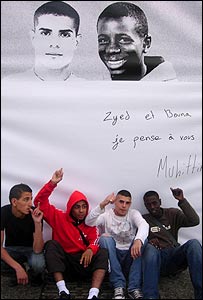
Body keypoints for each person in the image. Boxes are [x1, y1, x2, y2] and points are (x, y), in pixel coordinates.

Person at [33, 168, 108, 300]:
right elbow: (39, 202)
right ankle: (63, 290)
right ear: (70, 207)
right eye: (77, 207)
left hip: (84, 264)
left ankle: (93, 294)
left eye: (84, 207)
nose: (81, 210)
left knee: (102, 252)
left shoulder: (90, 221)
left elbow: (96, 238)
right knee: (51, 245)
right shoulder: (59, 217)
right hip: (65, 265)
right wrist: (52, 183)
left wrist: (91, 249)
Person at [85, 190, 149, 299]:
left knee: (143, 240)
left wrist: (138, 240)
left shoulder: (133, 213)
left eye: (127, 203)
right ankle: (118, 285)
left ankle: (134, 288)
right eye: (121, 202)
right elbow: (89, 222)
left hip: (131, 255)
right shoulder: (106, 215)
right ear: (115, 202)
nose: (124, 206)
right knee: (104, 239)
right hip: (114, 256)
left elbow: (143, 224)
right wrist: (103, 204)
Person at [142, 187, 202, 299]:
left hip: (174, 256)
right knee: (150, 249)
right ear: (145, 205)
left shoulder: (172, 213)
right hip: (156, 259)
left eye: (154, 203)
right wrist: (148, 241)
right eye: (148, 204)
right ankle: (150, 296)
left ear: (160, 201)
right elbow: (136, 240)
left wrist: (182, 201)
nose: (152, 207)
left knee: (194, 244)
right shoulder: (143, 220)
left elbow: (194, 221)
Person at [3, 1, 85, 82]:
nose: (54, 44)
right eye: (45, 33)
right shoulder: (10, 86)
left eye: (65, 35)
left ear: (76, 42)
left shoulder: (88, 90)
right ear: (33, 38)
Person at [97, 1, 177, 81]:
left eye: (124, 40)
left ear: (146, 43)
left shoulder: (167, 90)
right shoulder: (98, 86)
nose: (111, 50)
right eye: (103, 40)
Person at [1, 183, 45, 286]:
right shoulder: (3, 212)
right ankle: (17, 272)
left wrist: (37, 223)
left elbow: (37, 250)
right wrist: (18, 267)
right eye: (26, 199)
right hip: (12, 249)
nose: (30, 203)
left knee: (38, 263)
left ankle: (34, 275)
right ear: (14, 202)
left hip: (31, 250)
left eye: (31, 199)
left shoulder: (35, 213)